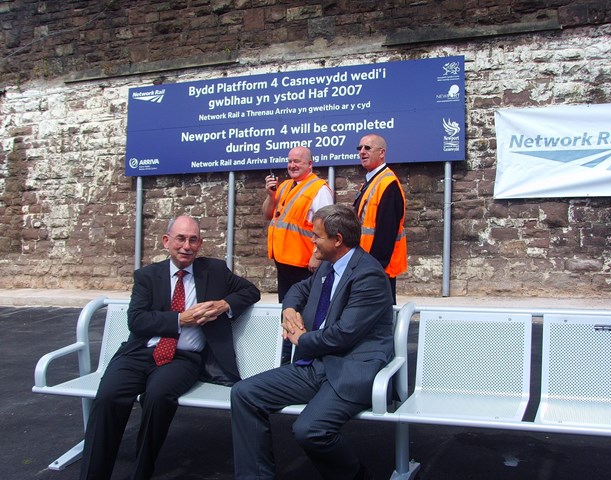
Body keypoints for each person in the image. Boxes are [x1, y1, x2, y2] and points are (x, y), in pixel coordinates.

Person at [80, 215, 260, 480]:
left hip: (182, 358)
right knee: (107, 397)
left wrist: (223, 305)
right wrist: (180, 319)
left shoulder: (215, 271)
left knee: (157, 397)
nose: (186, 246)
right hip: (139, 353)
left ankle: (141, 472)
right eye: (180, 239)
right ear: (166, 241)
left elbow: (250, 291)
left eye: (193, 240)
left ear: (200, 244)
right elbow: (137, 320)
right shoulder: (147, 276)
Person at [231, 204, 394, 480]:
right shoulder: (327, 267)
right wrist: (289, 310)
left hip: (348, 370)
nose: (312, 240)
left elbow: (344, 333)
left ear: (337, 240)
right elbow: (298, 289)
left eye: (317, 235)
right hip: (314, 365)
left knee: (310, 430)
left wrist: (302, 339)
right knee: (244, 394)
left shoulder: (369, 275)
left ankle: (356, 476)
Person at [263, 145, 334, 301]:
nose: (292, 165)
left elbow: (327, 226)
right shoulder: (284, 186)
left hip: (303, 264)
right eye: (289, 161)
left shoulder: (319, 189)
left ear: (310, 164)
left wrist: (317, 256)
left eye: (297, 161)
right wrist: (270, 195)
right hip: (283, 261)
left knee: (302, 307)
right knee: (287, 305)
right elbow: (268, 215)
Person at [353, 133, 407, 303]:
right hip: (367, 264)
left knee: (381, 315)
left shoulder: (387, 184)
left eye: (367, 148)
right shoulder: (372, 181)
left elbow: (386, 233)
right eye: (359, 148)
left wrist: (373, 268)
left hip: (377, 268)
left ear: (382, 153)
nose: (362, 152)